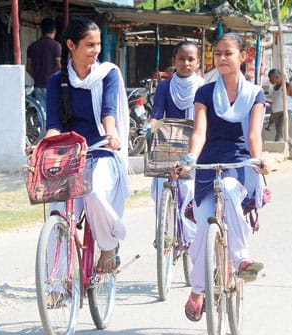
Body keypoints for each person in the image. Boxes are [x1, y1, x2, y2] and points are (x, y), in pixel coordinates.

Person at [174, 33, 270, 322]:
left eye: (228, 53)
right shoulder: (204, 92)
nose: (222, 58)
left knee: (228, 189)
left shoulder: (255, 94)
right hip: (208, 163)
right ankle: (199, 289)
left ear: (243, 57)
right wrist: (190, 161)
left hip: (240, 163)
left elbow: (254, 135)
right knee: (204, 226)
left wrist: (260, 159)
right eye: (217, 54)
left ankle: (240, 258)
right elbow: (199, 132)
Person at [45, 18, 129, 273]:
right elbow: (54, 123)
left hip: (101, 149)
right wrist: (45, 144)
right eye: (89, 45)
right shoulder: (56, 81)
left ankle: (107, 246)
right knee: (57, 212)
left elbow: (109, 111)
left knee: (92, 192)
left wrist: (111, 134)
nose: (96, 51)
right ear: (71, 45)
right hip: (70, 154)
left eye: (98, 45)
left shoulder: (108, 74)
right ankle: (57, 282)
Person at [149, 40, 204, 248]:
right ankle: (165, 230)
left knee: (188, 189)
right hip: (170, 145)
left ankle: (190, 239)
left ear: (198, 62)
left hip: (195, 147)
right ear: (174, 61)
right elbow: (157, 114)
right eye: (181, 58)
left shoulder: (204, 88)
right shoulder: (164, 87)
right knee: (158, 189)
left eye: (191, 59)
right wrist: (150, 127)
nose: (186, 63)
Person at [26, 18, 62, 111]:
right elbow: (58, 65)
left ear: (41, 30)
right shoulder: (56, 46)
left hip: (38, 86)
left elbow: (28, 68)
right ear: (54, 31)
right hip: (52, 86)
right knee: (53, 113)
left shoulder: (32, 46)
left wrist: (36, 77)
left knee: (41, 114)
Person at [267, 68, 292, 142]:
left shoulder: (287, 86)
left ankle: (279, 149)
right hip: (276, 114)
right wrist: (272, 116)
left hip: (285, 112)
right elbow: (275, 103)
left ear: (277, 77)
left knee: (280, 133)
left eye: (271, 78)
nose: (270, 81)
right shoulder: (274, 89)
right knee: (282, 133)